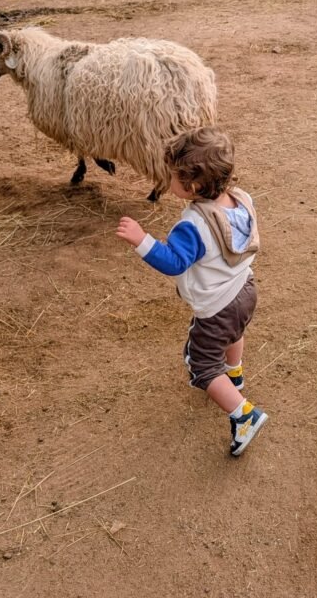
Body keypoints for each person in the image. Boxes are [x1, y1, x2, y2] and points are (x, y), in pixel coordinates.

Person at [116, 127, 267, 457]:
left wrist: (142, 239)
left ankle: (243, 414)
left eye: (172, 175)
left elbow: (173, 263)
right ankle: (235, 375)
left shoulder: (193, 226)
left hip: (217, 308)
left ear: (194, 186)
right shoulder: (243, 200)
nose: (168, 180)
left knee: (202, 365)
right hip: (245, 290)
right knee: (233, 333)